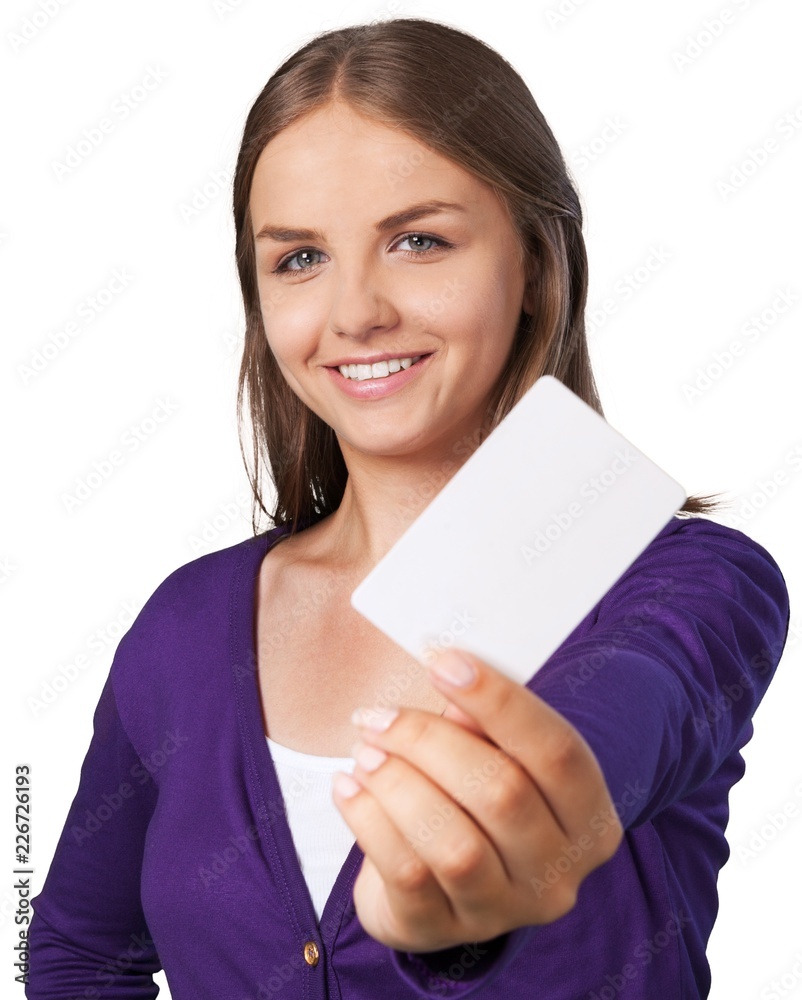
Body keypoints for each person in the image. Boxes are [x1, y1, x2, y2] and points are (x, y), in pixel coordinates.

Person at [27, 17, 790, 1000]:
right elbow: (78, 955)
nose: (354, 313)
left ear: (534, 267)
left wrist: (497, 869)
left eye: (418, 240)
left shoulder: (690, 583)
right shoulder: (184, 621)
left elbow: (612, 739)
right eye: (298, 258)